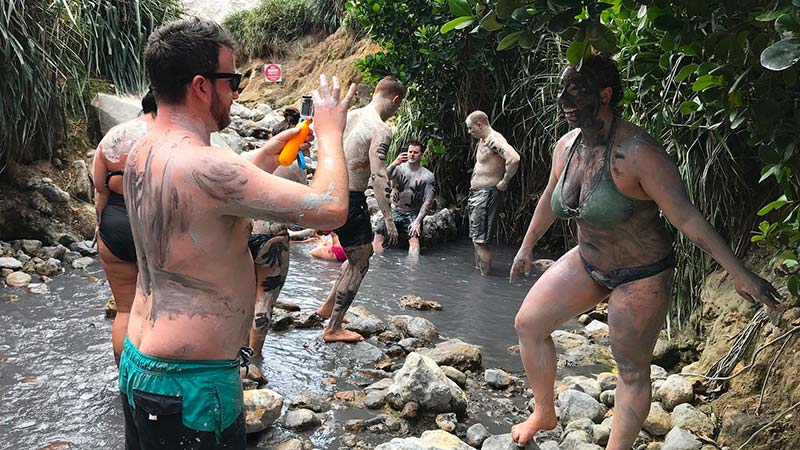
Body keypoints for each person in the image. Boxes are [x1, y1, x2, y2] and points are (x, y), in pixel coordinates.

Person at [508, 54, 783, 449]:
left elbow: (686, 217)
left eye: (575, 91)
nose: (563, 101)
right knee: (529, 325)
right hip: (589, 261)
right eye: (561, 91)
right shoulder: (565, 147)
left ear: (605, 94)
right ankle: (544, 412)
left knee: (632, 370)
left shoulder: (638, 153)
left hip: (642, 273)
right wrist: (527, 246)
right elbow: (551, 197)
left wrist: (739, 272)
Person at [118, 18, 355, 450]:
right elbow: (332, 208)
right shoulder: (211, 167)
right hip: (190, 385)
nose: (236, 91)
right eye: (233, 79)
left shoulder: (143, 152)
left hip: (141, 363)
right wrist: (331, 133)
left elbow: (205, 194)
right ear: (201, 86)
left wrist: (264, 153)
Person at [314, 76, 406, 342]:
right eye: (397, 108)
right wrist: (388, 218)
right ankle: (332, 329)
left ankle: (328, 307)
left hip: (325, 190)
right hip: (350, 197)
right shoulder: (381, 128)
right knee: (362, 261)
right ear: (395, 100)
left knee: (354, 255)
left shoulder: (350, 115)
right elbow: (378, 176)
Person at [92, 90, 156, 366]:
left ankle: (124, 378)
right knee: (156, 309)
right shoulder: (167, 137)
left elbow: (100, 190)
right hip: (154, 226)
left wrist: (99, 226)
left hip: (114, 223)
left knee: (126, 309)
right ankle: (153, 379)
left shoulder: (112, 137)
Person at [465, 110, 520, 275]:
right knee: (476, 239)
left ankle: (484, 282)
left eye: (470, 128)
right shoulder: (483, 141)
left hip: (486, 194)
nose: (469, 132)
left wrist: (505, 181)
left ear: (480, 124)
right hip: (478, 194)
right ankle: (479, 277)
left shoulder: (494, 140)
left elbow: (514, 158)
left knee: (480, 241)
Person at [373, 140, 436, 255]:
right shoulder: (398, 169)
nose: (412, 154)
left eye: (415, 152)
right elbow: (381, 178)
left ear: (421, 154)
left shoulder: (427, 176)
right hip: (394, 210)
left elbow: (428, 201)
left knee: (414, 240)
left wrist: (418, 221)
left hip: (412, 213)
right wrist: (394, 163)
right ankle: (376, 262)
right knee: (379, 234)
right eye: (410, 151)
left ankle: (412, 269)